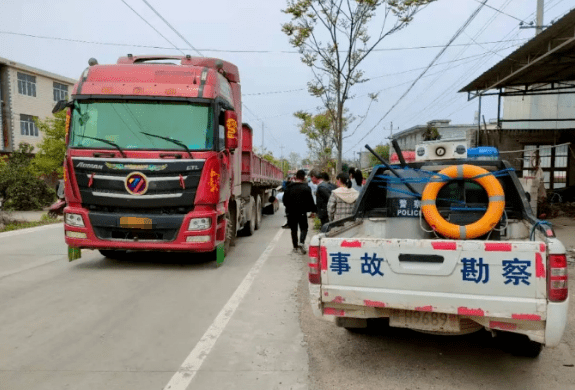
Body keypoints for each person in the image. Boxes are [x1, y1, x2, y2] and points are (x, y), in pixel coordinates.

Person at [283, 169, 316, 254]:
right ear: (303, 177)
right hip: (302, 212)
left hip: (291, 212)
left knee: (293, 229)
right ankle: (301, 242)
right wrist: (313, 210)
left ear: (296, 177)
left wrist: (288, 208)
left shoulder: (289, 187)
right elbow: (310, 201)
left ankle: (295, 247)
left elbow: (284, 200)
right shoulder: (306, 187)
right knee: (304, 228)